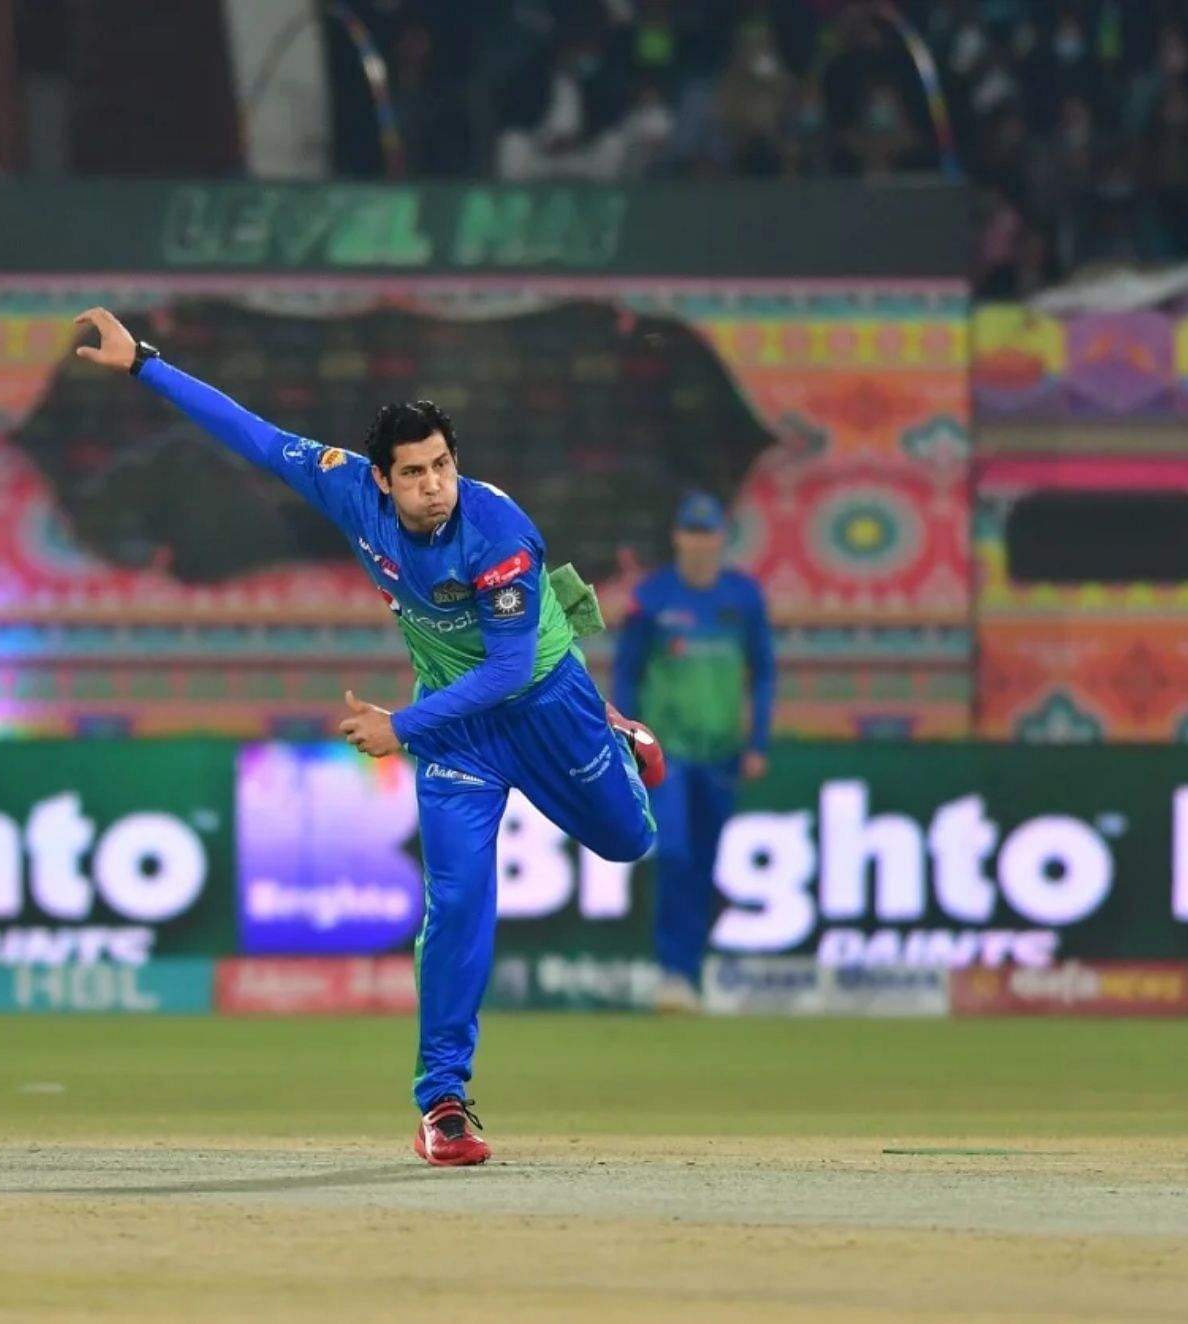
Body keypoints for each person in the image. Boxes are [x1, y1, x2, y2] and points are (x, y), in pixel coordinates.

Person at [72, 308, 666, 1166]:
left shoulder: (497, 533)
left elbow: (502, 672)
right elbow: (253, 435)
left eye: (443, 466)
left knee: (628, 841)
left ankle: (621, 736)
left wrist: (398, 726)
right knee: (457, 904)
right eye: (416, 472)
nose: (435, 485)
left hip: (543, 701)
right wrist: (143, 366)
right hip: (459, 739)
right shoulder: (349, 489)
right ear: (381, 481)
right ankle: (445, 1104)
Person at [612, 493, 775, 1013]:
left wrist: (758, 741)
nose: (700, 545)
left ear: (721, 539)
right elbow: (627, 671)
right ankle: (671, 973)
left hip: (723, 750)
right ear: (678, 538)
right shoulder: (654, 597)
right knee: (676, 852)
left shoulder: (743, 597)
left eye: (709, 535)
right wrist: (626, 739)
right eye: (691, 534)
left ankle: (690, 971)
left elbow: (765, 670)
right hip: (668, 752)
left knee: (704, 863)